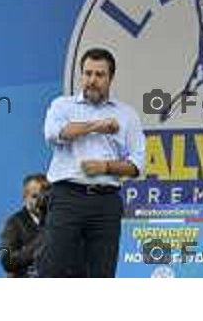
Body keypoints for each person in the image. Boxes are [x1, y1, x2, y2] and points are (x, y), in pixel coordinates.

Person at [39, 47, 146, 278]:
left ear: (110, 78)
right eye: (87, 74)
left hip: (106, 202)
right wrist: (98, 126)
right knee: (52, 269)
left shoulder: (127, 114)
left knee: (102, 273)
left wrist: (106, 167)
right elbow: (55, 133)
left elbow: (137, 165)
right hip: (67, 197)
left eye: (99, 75)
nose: (92, 81)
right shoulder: (62, 106)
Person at [0, 173, 49, 277]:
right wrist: (41, 241)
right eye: (35, 196)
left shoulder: (56, 221)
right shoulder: (14, 223)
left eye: (44, 197)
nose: (40, 202)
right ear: (24, 197)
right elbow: (7, 262)